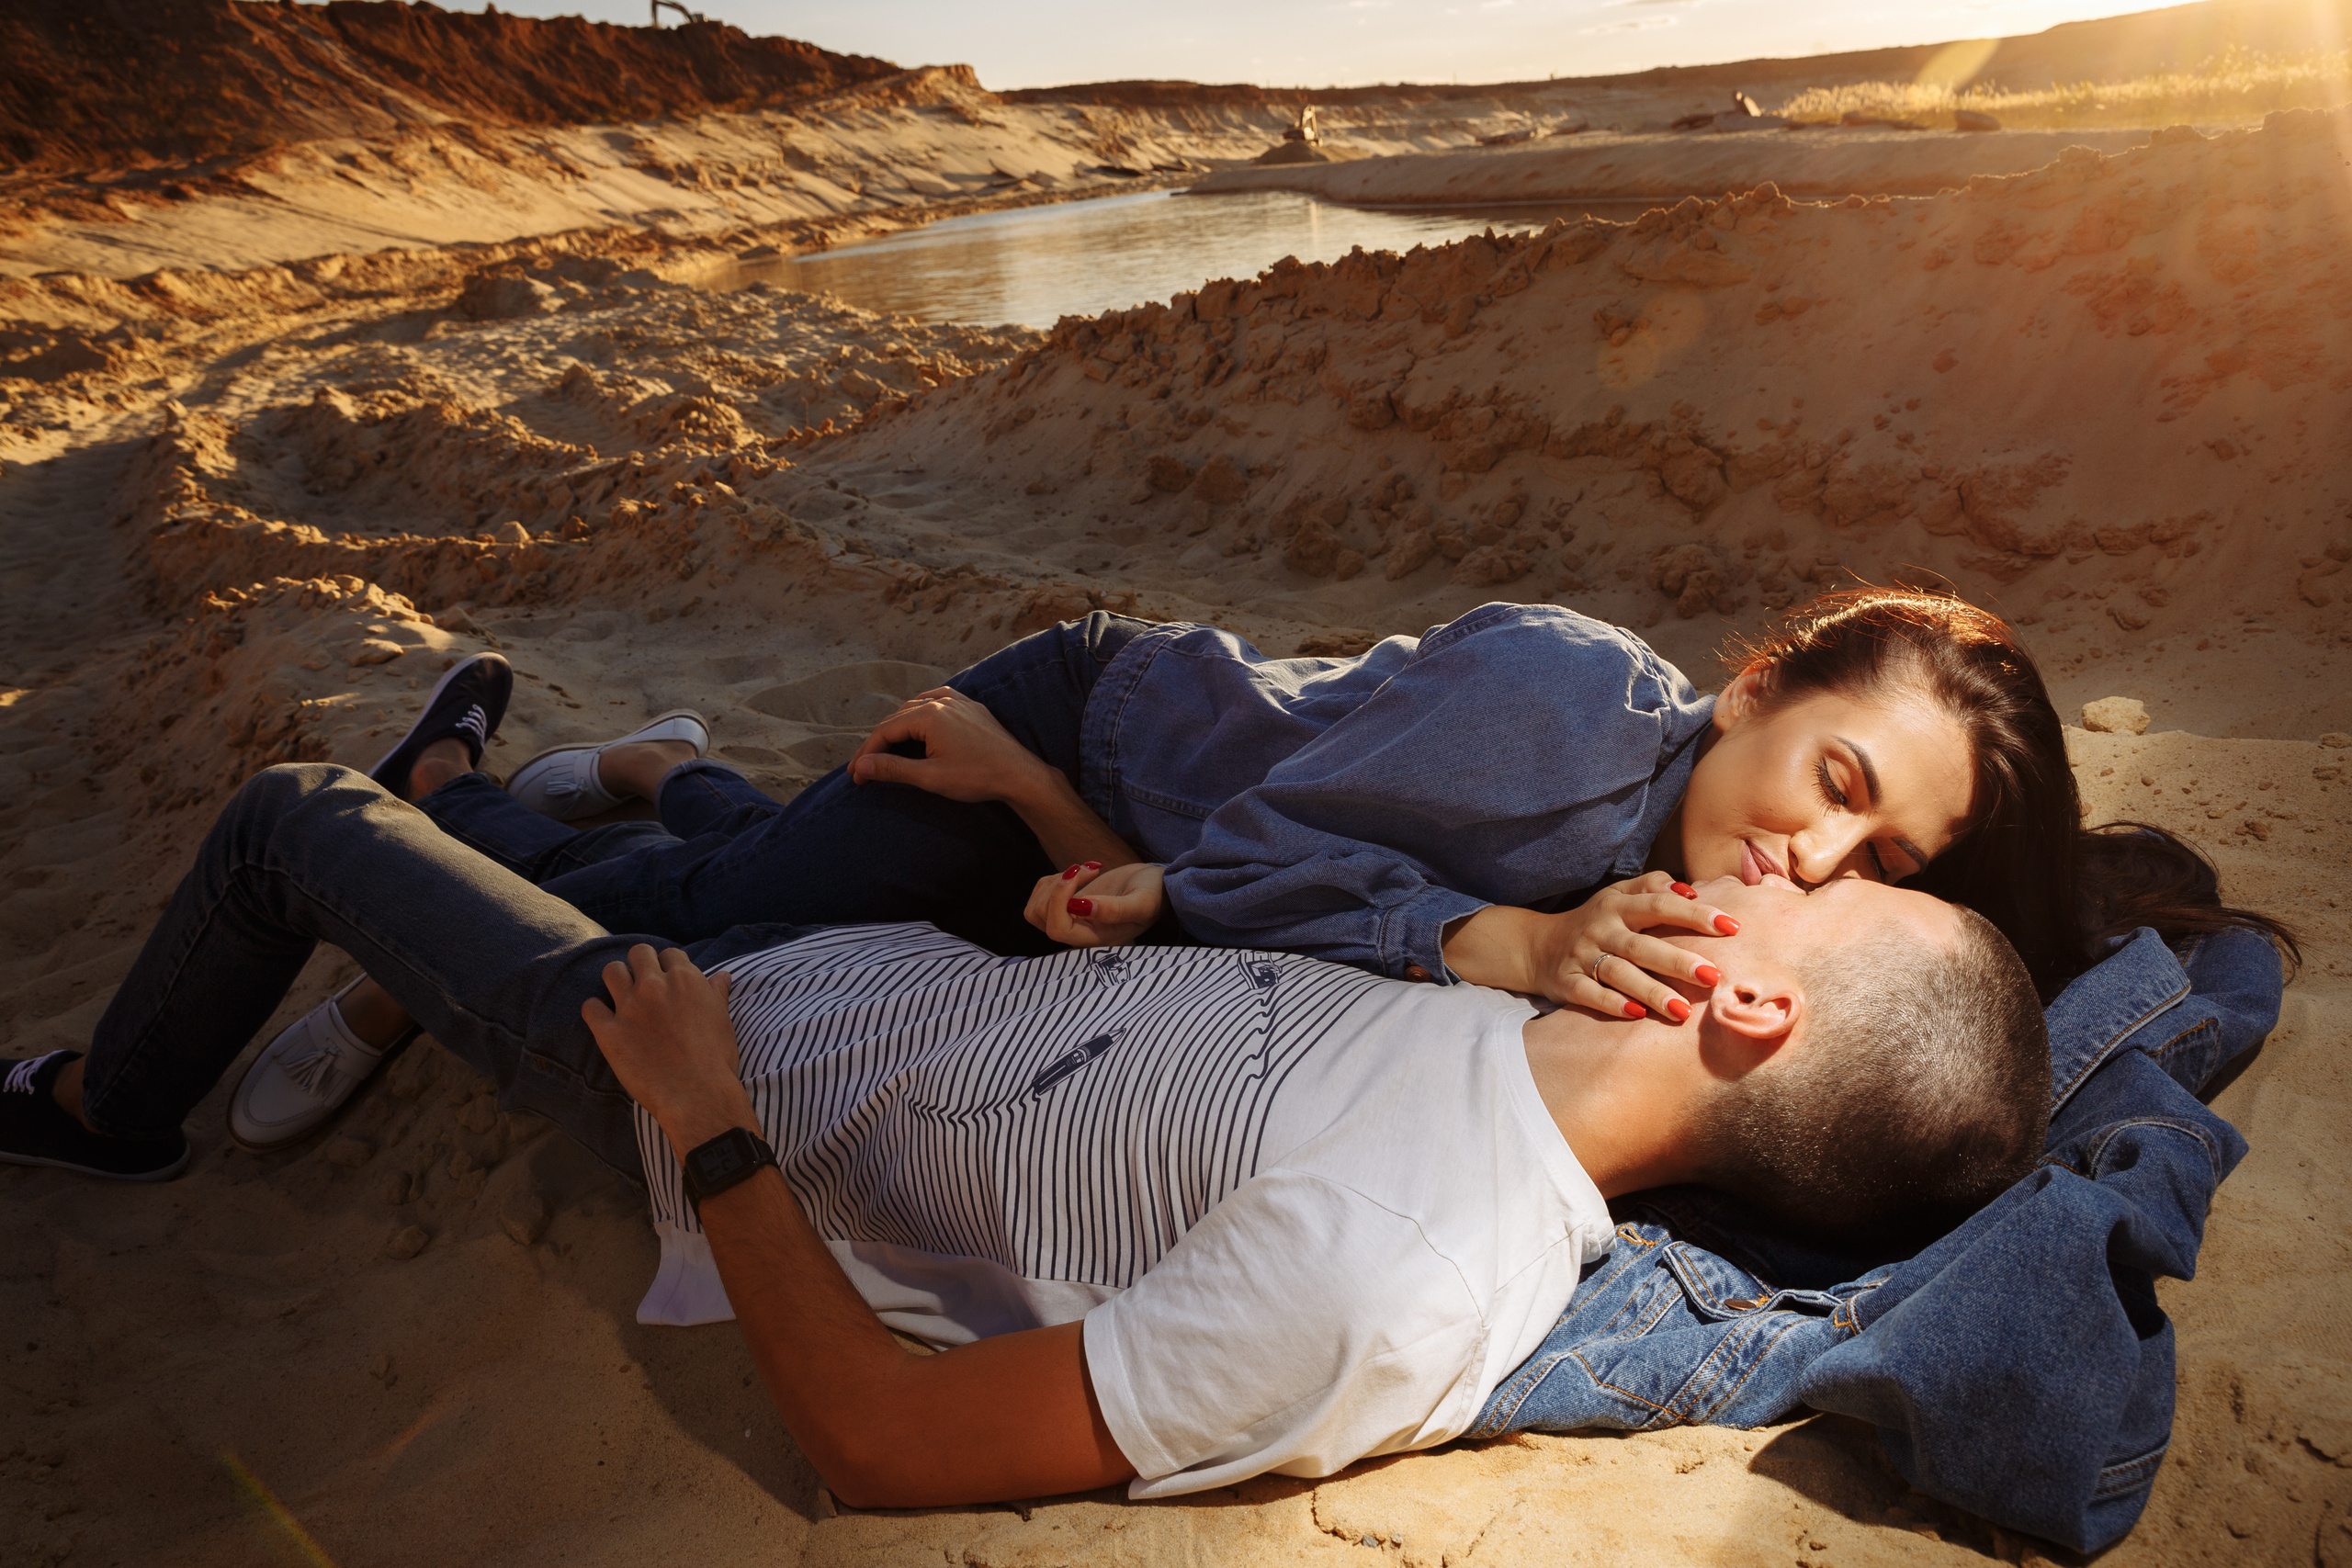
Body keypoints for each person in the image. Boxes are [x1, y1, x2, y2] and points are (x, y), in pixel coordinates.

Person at [0, 761, 2050, 1506]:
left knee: (291, 816)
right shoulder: (1526, 1021)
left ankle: (106, 1110)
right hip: (852, 957)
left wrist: (709, 1116)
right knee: (634, 832)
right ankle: (512, 787)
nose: (1774, 858)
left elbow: (881, 1446)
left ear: (1748, 1001)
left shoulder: (1391, 1272)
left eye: (1811, 888)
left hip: (691, 1061)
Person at [233, 587, 2079, 1151]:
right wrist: (1496, 934)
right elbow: (1245, 851)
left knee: (795, 891)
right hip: (1076, 736)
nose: (1812, 847)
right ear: (1758, 686)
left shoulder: (1691, 883)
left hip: (1103, 854)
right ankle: (441, 785)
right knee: (695, 929)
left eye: (1878, 851)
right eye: (1831, 773)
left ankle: (657, 759)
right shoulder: (1569, 713)